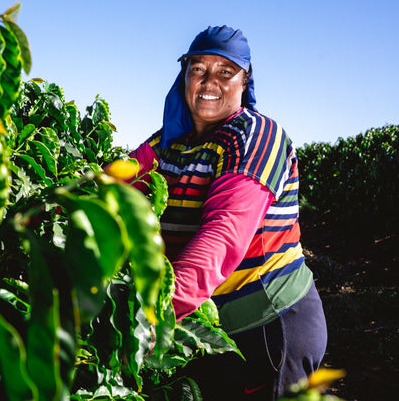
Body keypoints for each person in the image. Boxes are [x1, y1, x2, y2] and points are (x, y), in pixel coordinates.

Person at [128, 26, 327, 400]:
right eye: (198, 68)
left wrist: (153, 319)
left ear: (244, 81)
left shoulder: (255, 136)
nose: (209, 81)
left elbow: (223, 236)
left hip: (268, 327)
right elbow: (107, 189)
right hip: (206, 323)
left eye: (225, 71)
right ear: (184, 75)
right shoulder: (168, 142)